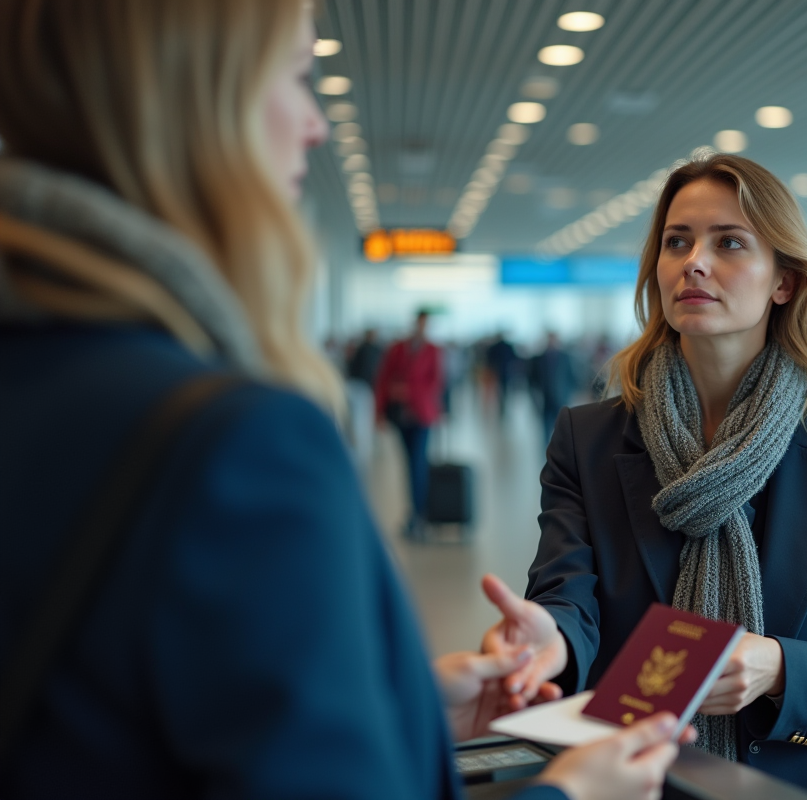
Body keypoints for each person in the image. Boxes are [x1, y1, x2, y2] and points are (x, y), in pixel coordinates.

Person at [0, 2, 682, 798]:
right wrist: (571, 793)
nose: (317, 125)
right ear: (197, 105)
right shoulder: (235, 442)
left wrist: (400, 707)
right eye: (294, 77)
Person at [481, 153, 807, 800]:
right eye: (677, 241)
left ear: (784, 283)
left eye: (730, 243)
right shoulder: (590, 439)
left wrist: (779, 669)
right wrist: (551, 643)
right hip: (638, 779)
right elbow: (567, 601)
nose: (694, 261)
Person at [376, 310, 443, 537]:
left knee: (418, 463)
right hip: (400, 416)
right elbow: (384, 378)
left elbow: (435, 383)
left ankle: (419, 515)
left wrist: (409, 392)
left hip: (421, 414)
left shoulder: (433, 350)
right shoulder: (398, 348)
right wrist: (379, 413)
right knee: (409, 464)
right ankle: (414, 513)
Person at [531, 332, 579, 445]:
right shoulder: (539, 358)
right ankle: (546, 448)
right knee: (545, 427)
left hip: (561, 397)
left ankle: (561, 446)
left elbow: (571, 376)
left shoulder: (565, 357)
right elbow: (534, 378)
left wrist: (570, 393)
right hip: (546, 397)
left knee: (562, 425)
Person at [486, 331, 518, 418]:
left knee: (500, 391)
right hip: (506, 372)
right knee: (505, 391)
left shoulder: (494, 347)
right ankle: (503, 407)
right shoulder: (508, 347)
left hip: (498, 372)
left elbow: (490, 361)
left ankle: (502, 407)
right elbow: (515, 360)